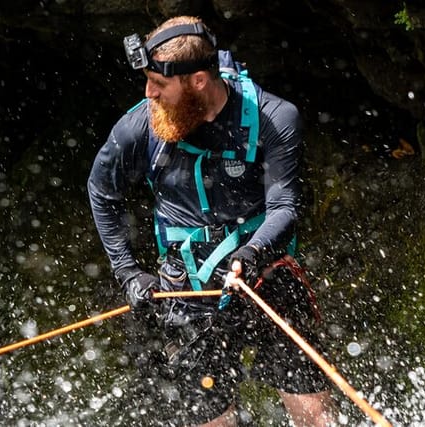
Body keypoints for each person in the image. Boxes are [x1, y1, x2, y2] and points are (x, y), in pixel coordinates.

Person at [88, 15, 336, 426]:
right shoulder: (139, 127)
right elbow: (101, 191)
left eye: (159, 83)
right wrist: (127, 272)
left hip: (263, 275)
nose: (148, 92)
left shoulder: (274, 119)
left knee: (312, 410)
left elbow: (285, 205)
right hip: (187, 290)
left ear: (198, 81)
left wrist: (253, 251)